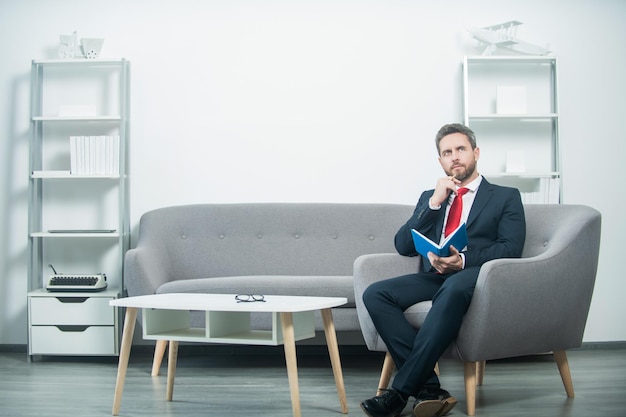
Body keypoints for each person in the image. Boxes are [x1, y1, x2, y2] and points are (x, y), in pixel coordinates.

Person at [359, 123, 526, 417]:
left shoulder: (505, 196)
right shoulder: (431, 196)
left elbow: (511, 247)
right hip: (434, 275)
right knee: (376, 294)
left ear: (475, 152)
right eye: (447, 153)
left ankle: (399, 392)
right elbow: (402, 245)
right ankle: (429, 387)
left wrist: (462, 260)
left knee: (454, 287)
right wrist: (435, 202)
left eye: (461, 149)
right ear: (441, 161)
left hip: (476, 276)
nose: (455, 157)